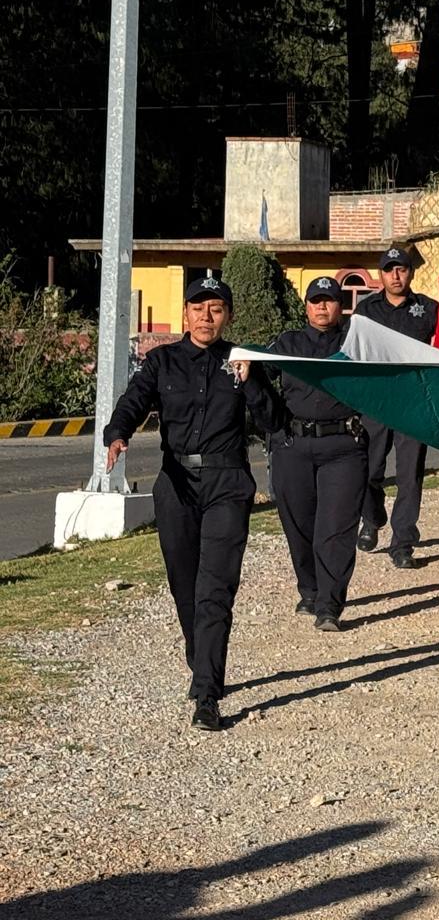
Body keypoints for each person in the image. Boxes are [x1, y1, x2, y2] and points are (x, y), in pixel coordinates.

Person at [102, 277, 282, 732]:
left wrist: (251, 383)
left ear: (228, 316)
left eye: (217, 308)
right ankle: (200, 655)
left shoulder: (241, 362)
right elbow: (133, 402)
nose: (207, 316)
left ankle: (207, 692)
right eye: (199, 308)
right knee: (185, 584)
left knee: (215, 588)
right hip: (177, 482)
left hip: (227, 481)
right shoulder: (161, 361)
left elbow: (273, 420)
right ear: (185, 313)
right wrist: (117, 434)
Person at [266, 276, 368, 632]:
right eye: (315, 300)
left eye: (329, 300)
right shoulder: (287, 343)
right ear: (306, 306)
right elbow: (259, 375)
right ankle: (309, 590)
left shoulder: (357, 342)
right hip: (294, 446)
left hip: (343, 447)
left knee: (336, 528)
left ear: (341, 306)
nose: (322, 307)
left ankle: (330, 604)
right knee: (299, 526)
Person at [355, 246, 439, 568]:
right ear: (381, 274)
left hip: (413, 403)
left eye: (401, 269)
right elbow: (353, 353)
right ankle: (373, 518)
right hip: (375, 403)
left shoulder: (428, 309)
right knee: (368, 470)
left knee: (409, 476)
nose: (395, 275)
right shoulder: (365, 311)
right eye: (389, 269)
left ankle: (402, 542)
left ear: (411, 272)